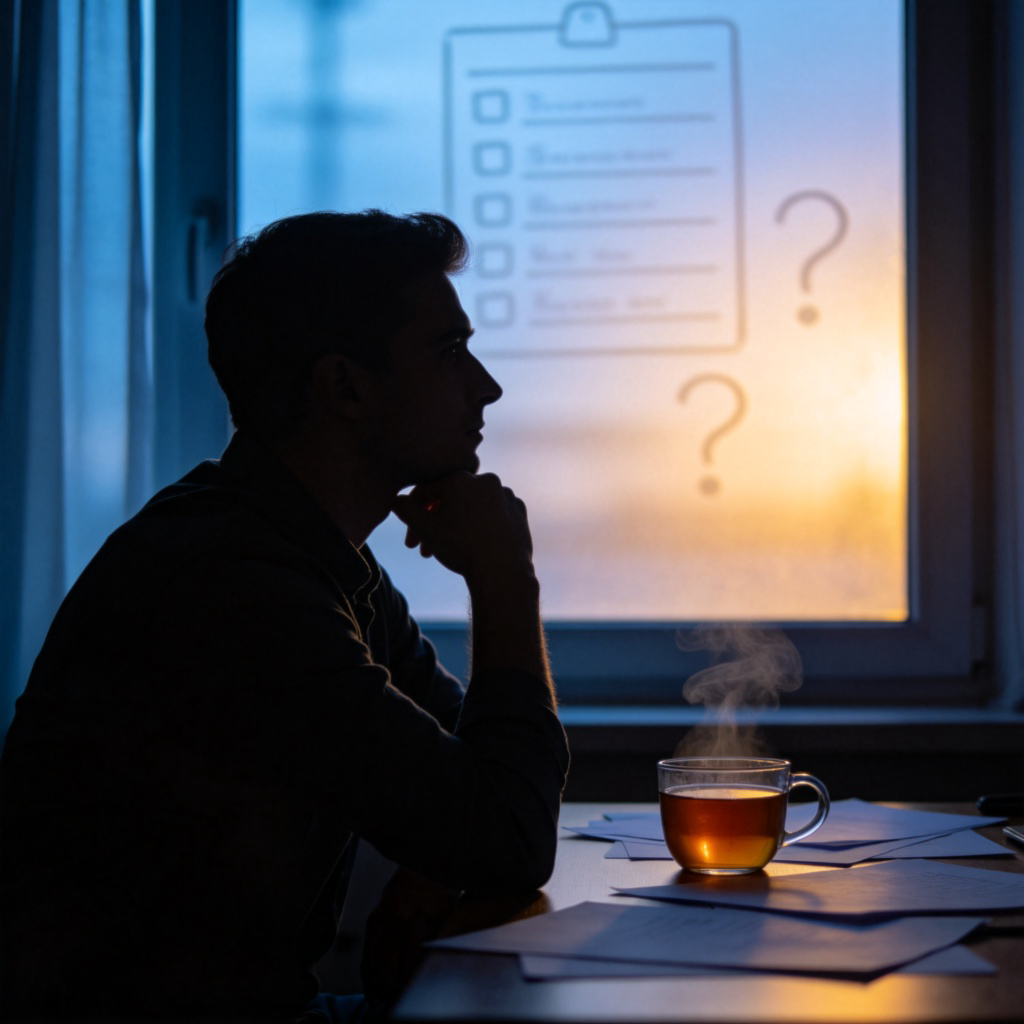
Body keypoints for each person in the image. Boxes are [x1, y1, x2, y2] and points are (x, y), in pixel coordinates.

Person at [0, 210, 570, 1021]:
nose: (486, 386)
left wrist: (440, 861)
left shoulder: (309, 556)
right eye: (449, 351)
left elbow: (477, 790)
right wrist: (506, 580)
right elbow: (509, 837)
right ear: (344, 387)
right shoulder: (230, 585)